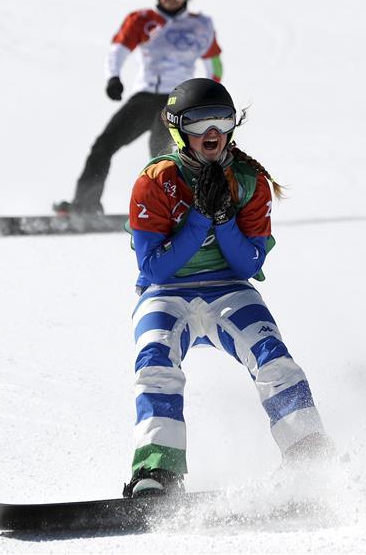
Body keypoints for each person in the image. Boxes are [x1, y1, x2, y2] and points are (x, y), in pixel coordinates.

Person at [121, 78, 333, 498]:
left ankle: (311, 458)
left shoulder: (249, 180)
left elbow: (250, 264)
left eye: (222, 120)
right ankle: (157, 471)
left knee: (274, 359)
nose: (213, 133)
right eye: (200, 123)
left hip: (230, 288)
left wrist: (223, 219)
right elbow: (154, 268)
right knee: (155, 363)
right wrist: (200, 217)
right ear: (179, 128)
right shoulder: (155, 180)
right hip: (167, 293)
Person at [55, 0, 223, 216]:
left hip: (177, 100)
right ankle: (85, 205)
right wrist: (113, 78)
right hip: (145, 97)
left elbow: (215, 63)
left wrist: (211, 96)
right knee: (104, 145)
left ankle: (174, 208)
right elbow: (118, 50)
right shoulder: (142, 20)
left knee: (163, 154)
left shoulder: (200, 25)